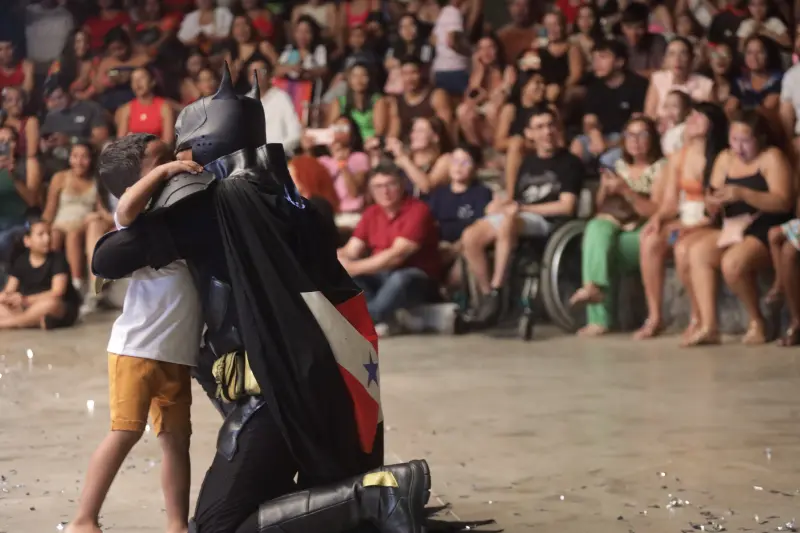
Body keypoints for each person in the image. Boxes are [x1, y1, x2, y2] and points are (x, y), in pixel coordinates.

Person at [89, 64, 436, 533]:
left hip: (273, 392)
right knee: (267, 500)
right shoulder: (290, 197)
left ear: (202, 143)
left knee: (215, 527)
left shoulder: (209, 205)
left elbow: (107, 258)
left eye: (181, 149)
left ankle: (374, 495)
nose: (180, 157)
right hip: (321, 380)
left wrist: (152, 202)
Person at [66, 140, 204, 533]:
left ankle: (177, 524)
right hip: (137, 348)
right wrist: (164, 173)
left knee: (177, 440)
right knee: (125, 430)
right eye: (160, 162)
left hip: (176, 353)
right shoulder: (136, 223)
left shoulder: (175, 218)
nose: (172, 165)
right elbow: (125, 208)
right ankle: (84, 519)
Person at [461, 105, 585, 326]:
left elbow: (566, 207)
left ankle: (498, 290)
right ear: (529, 134)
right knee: (470, 236)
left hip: (548, 222)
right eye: (540, 127)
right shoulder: (527, 163)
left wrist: (522, 209)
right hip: (521, 216)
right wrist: (499, 205)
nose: (547, 132)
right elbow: (518, 199)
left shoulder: (570, 163)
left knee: (509, 221)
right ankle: (487, 295)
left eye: (550, 125)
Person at [683, 110, 793, 346]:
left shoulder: (771, 158)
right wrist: (712, 203)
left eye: (745, 141)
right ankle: (709, 326)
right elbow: (712, 194)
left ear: (760, 139)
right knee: (698, 252)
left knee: (733, 263)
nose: (739, 148)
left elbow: (784, 202)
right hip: (732, 226)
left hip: (765, 227)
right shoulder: (725, 158)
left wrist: (744, 194)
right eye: (734, 140)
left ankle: (757, 321)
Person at [635, 102, 730, 340]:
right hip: (684, 220)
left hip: (708, 224)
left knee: (683, 249)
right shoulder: (679, 157)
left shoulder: (721, 157)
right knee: (650, 240)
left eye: (700, 116)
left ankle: (697, 317)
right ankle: (654, 316)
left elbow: (716, 210)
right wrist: (658, 219)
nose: (693, 119)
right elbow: (670, 203)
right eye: (691, 115)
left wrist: (690, 226)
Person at [569, 116, 667, 336]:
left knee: (602, 249)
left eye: (642, 135)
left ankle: (597, 302)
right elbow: (602, 207)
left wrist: (627, 192)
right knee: (595, 228)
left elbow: (657, 211)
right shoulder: (618, 165)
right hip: (617, 225)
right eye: (630, 135)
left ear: (652, 138)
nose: (635, 140)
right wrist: (605, 189)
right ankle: (594, 295)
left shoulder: (661, 168)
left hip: (646, 230)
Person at [337, 164, 442, 335]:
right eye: (378, 186)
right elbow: (351, 251)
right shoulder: (371, 213)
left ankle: (363, 321)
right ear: (371, 190)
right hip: (380, 275)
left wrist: (352, 268)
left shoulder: (418, 210)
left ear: (402, 185)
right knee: (345, 276)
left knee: (400, 278)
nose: (384, 191)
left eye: (390, 185)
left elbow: (396, 256)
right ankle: (384, 319)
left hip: (416, 278)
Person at [0, 215, 81, 330]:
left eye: (49, 234)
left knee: (51, 304)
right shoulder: (21, 260)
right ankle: (32, 321)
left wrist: (25, 300)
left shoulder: (58, 259)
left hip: (55, 305)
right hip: (30, 308)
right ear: (27, 241)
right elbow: (9, 289)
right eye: (41, 235)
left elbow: (57, 292)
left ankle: (10, 323)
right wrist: (6, 297)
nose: (47, 239)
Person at [42, 142, 99, 291]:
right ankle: (49, 280)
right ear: (69, 158)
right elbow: (50, 209)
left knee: (73, 236)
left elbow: (101, 209)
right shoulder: (60, 177)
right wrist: (43, 227)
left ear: (91, 159)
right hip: (60, 223)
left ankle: (76, 283)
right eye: (75, 156)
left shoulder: (96, 181)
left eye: (84, 157)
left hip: (82, 225)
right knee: (54, 236)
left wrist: (96, 216)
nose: (79, 162)